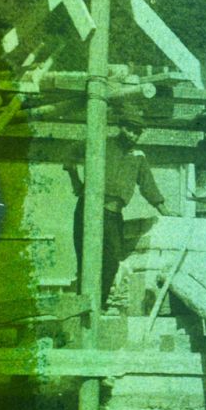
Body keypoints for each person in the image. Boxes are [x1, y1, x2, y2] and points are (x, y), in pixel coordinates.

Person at [72, 121, 169, 308]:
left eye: (137, 132)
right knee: (85, 262)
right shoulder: (101, 144)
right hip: (89, 211)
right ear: (121, 127)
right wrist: (75, 181)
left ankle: (96, 307)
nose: (133, 135)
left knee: (112, 261)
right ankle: (81, 310)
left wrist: (166, 212)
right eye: (130, 130)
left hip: (113, 216)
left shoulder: (138, 157)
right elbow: (70, 153)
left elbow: (148, 186)